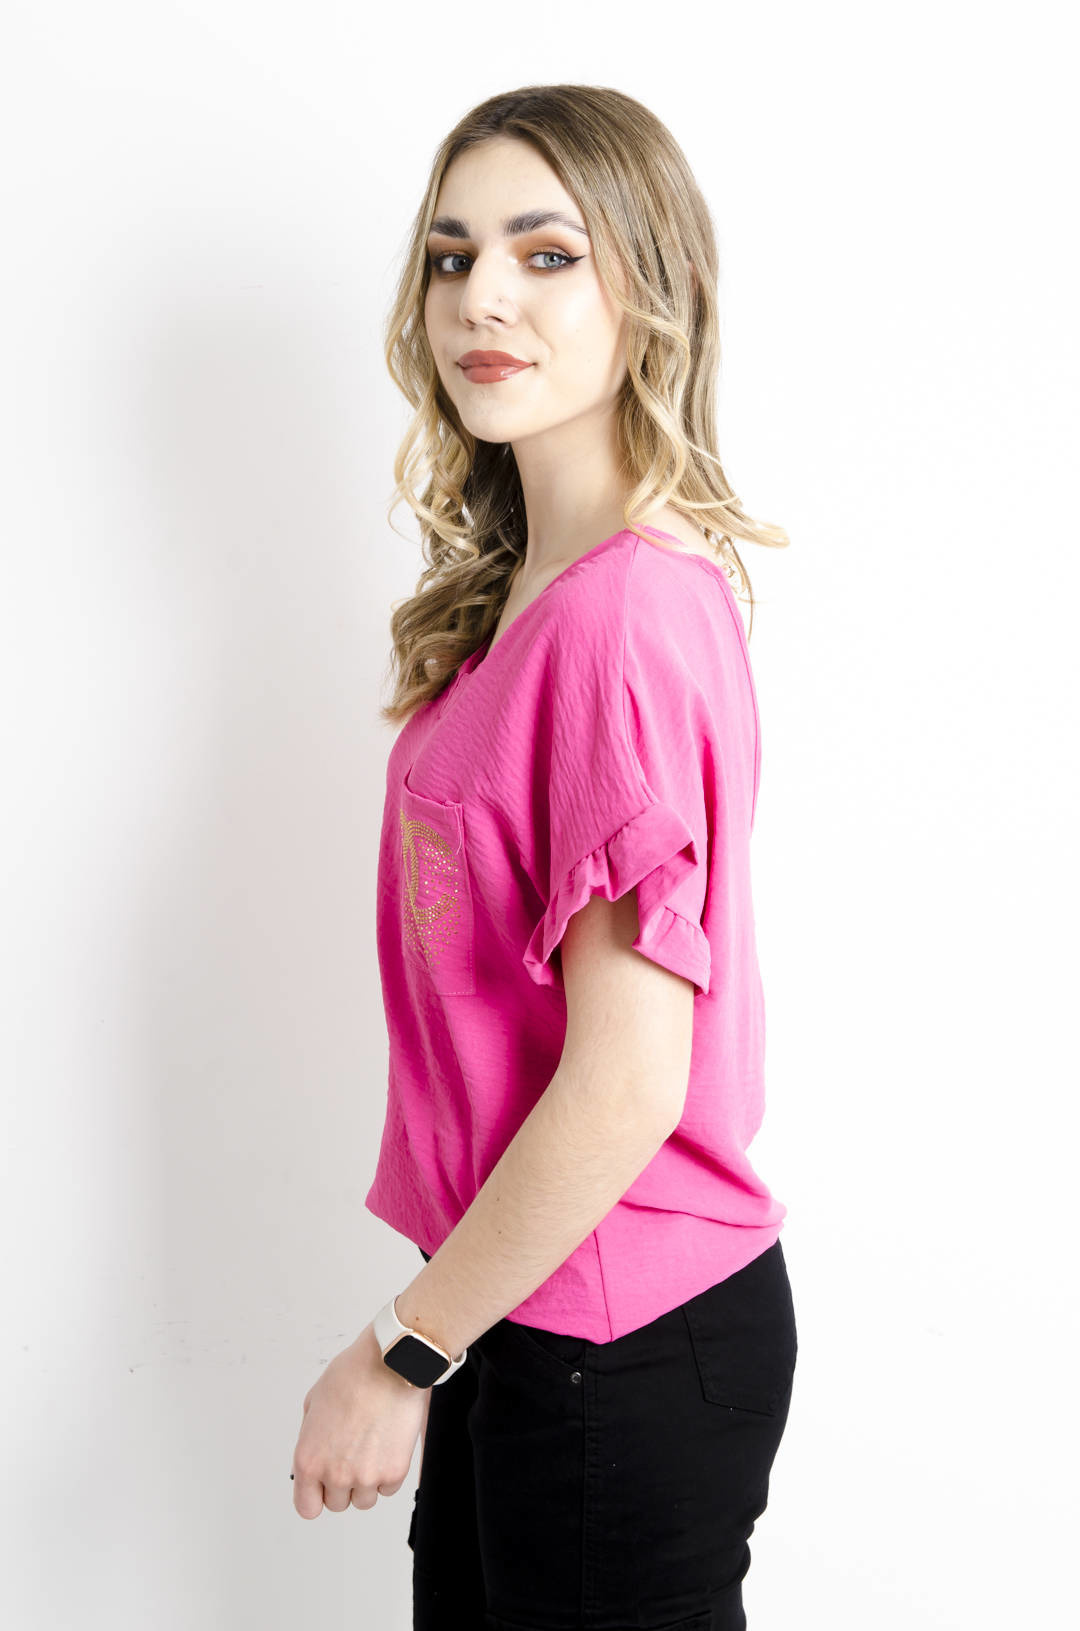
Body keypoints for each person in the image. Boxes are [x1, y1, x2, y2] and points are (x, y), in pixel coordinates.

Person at [291, 83, 798, 1631]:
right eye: (451, 257)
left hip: (614, 1338)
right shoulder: (540, 587)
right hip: (531, 1309)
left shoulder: (620, 618)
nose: (481, 298)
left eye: (546, 253)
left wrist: (402, 1349)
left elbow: (630, 1080)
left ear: (654, 288)